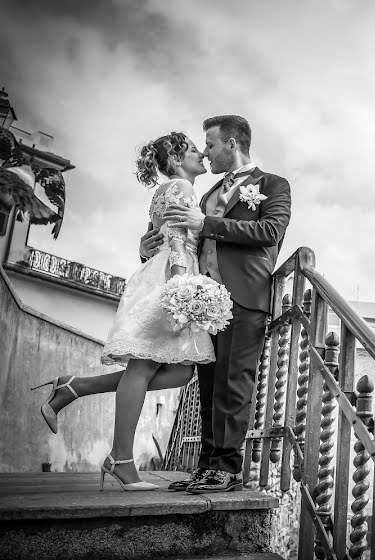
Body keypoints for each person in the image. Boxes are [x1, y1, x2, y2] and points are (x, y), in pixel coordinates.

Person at [32, 132, 214, 491]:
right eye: (195, 149)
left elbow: (155, 237)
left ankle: (76, 387)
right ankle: (121, 459)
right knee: (145, 366)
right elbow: (176, 238)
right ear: (177, 159)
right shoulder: (182, 187)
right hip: (172, 276)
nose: (202, 154)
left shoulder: (165, 191)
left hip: (162, 271)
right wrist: (181, 285)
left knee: (178, 372)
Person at [154, 115, 291, 493]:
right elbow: (185, 236)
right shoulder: (208, 193)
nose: (207, 153)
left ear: (232, 144)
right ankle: (206, 466)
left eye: (211, 145)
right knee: (209, 384)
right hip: (203, 303)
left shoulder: (273, 185)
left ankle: (227, 467)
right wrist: (154, 246)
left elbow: (270, 232)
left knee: (235, 382)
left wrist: (207, 224)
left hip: (245, 298)